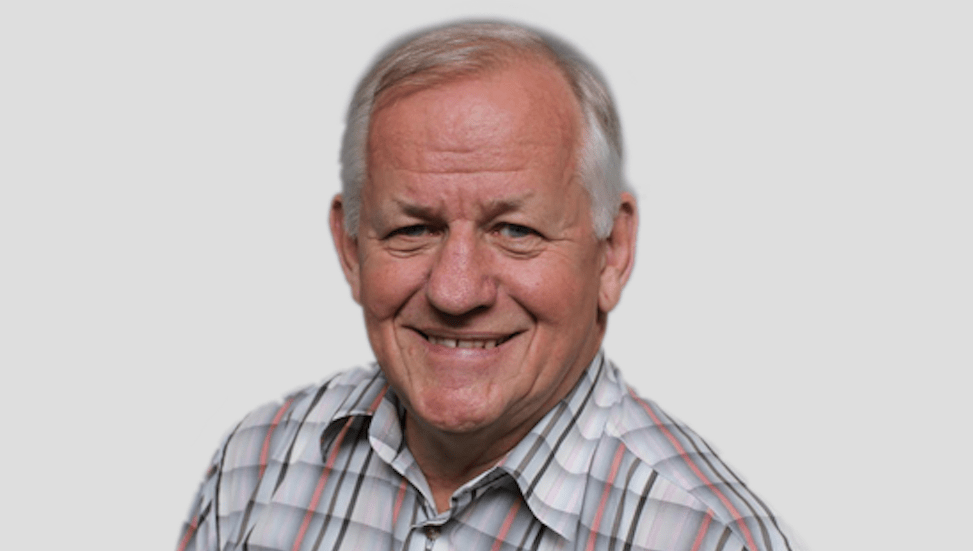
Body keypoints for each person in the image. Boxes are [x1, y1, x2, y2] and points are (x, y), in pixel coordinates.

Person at [176, 21, 797, 551]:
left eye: (515, 231)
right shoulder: (256, 463)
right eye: (414, 229)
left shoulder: (706, 537)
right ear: (350, 247)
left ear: (613, 252)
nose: (455, 291)